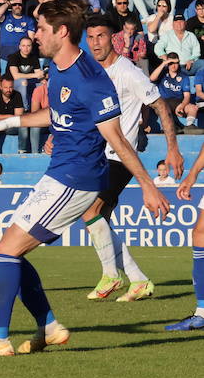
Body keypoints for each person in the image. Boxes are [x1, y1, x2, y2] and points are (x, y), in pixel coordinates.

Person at [0, 0, 169, 356]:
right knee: (12, 251)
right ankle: (50, 327)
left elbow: (116, 139)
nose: (34, 34)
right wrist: (7, 122)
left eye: (40, 28)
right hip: (60, 174)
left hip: (77, 180)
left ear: (61, 32)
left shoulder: (91, 79)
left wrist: (149, 186)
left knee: (7, 251)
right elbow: (56, 114)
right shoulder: (58, 68)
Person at [78, 16, 183, 302]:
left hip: (121, 156)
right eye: (90, 37)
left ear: (112, 38)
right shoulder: (93, 72)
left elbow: (161, 105)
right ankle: (138, 280)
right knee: (100, 220)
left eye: (100, 36)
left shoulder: (129, 72)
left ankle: (112, 275)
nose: (95, 42)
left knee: (89, 211)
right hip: (99, 154)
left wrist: (172, 149)